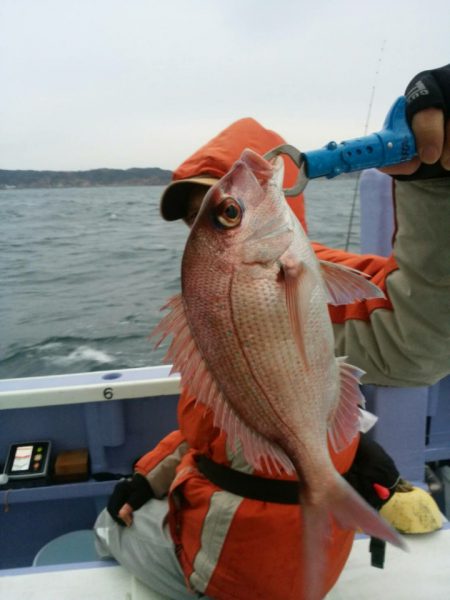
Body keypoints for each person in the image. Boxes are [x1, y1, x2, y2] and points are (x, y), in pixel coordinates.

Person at [94, 65, 450, 600]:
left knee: (105, 529)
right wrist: (151, 474)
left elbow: (420, 332)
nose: (198, 229)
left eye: (220, 211)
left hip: (234, 563)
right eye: (195, 217)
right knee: (136, 502)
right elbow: (221, 420)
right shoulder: (214, 300)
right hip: (255, 532)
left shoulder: (296, 283)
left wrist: (433, 185)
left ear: (285, 195)